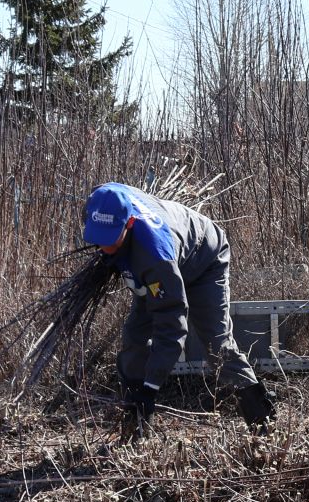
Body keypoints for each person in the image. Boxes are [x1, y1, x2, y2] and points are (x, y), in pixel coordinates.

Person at [80, 182, 275, 430]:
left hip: (204, 259)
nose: (103, 247)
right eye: (99, 238)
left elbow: (171, 325)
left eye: (110, 239)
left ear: (129, 223)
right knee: (133, 335)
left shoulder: (154, 256)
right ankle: (134, 417)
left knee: (217, 344)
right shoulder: (103, 200)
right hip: (163, 260)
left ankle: (260, 414)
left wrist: (151, 388)